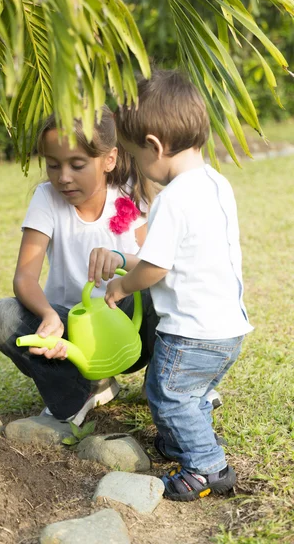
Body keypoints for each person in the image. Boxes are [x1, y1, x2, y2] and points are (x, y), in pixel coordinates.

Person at [104, 69, 253, 501]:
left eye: (136, 155)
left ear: (154, 146)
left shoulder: (173, 198)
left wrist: (122, 285)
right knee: (195, 393)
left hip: (190, 331)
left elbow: (156, 267)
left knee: (168, 394)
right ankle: (178, 441)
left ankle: (207, 466)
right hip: (227, 327)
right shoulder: (216, 185)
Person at [0, 106, 159, 426]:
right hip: (73, 332)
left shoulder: (129, 194)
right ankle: (84, 388)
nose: (63, 177)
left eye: (77, 165)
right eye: (53, 165)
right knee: (1, 316)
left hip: (128, 327)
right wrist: (50, 316)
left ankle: (163, 385)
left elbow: (153, 265)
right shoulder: (46, 199)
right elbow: (25, 277)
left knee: (160, 290)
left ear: (109, 159)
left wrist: (120, 260)